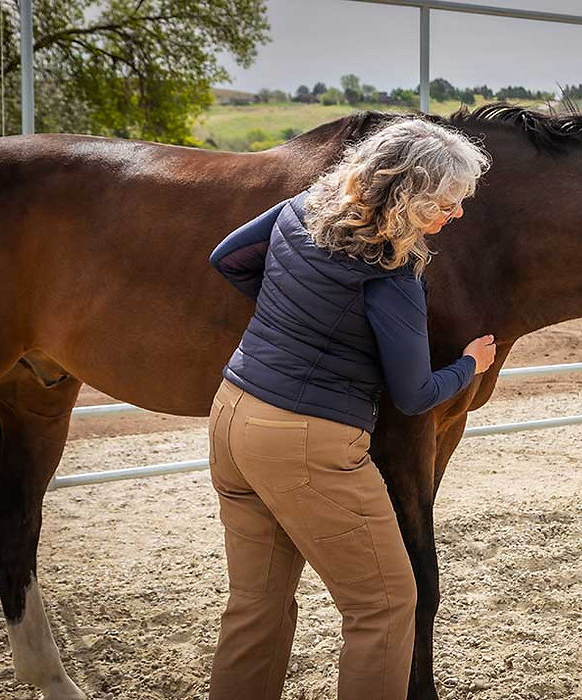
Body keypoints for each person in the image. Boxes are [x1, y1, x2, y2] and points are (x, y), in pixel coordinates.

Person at [205, 118, 495, 700]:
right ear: (409, 196)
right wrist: (469, 365)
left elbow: (228, 258)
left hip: (233, 415)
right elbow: (414, 395)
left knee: (256, 606)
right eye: (446, 202)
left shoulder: (301, 209)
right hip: (306, 444)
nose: (457, 214)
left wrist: (295, 321)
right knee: (387, 605)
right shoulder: (392, 273)